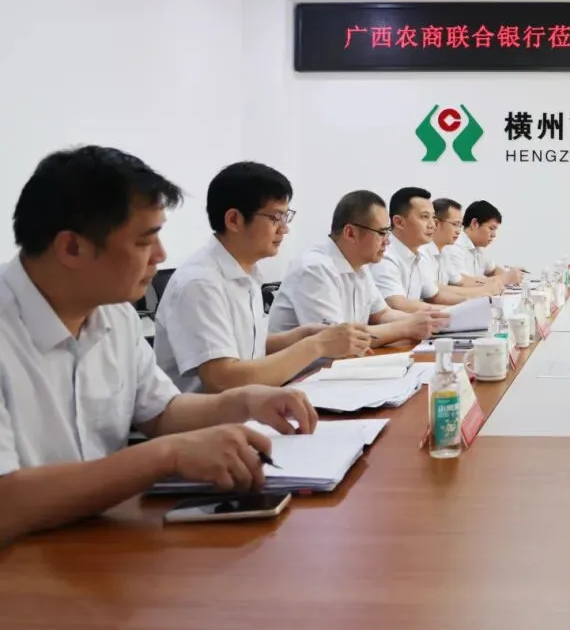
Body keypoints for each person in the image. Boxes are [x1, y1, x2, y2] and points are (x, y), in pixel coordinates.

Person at [0, 146, 318, 547]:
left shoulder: (114, 314)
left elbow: (161, 412)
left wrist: (245, 402)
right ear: (72, 248)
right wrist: (166, 456)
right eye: (144, 241)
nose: (161, 255)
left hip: (99, 540)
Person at [154, 162, 370, 393]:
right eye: (275, 218)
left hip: (251, 405)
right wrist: (316, 345)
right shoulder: (200, 283)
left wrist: (302, 335)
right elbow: (223, 379)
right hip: (212, 414)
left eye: (286, 217)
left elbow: (246, 348)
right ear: (234, 220)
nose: (284, 229)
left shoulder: (244, 273)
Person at [268, 190, 448, 346]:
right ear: (350, 233)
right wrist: (407, 327)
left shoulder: (360, 266)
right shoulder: (315, 268)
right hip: (305, 372)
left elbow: (382, 314)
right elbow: (337, 341)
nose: (387, 241)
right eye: (382, 233)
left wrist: (426, 321)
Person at [369, 187, 476, 312]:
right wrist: (459, 311)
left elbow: (435, 295)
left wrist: (473, 302)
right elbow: (398, 305)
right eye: (425, 217)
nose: (432, 225)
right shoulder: (385, 254)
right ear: (399, 222)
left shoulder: (418, 254)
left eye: (433, 218)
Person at [442, 200, 525, 287]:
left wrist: (511, 276)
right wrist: (504, 279)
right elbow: (462, 283)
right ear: (475, 224)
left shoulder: (477, 248)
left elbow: (493, 270)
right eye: (491, 228)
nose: (494, 235)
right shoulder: (454, 246)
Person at [428, 198, 502, 294]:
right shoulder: (425, 252)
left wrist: (491, 284)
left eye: (459, 225)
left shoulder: (444, 252)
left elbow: (461, 280)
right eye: (455, 224)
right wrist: (487, 288)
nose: (458, 231)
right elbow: (436, 293)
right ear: (436, 224)